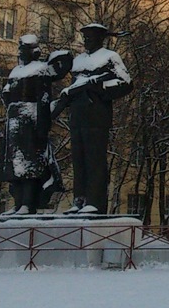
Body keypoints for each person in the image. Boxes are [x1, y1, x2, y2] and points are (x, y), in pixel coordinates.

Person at [53, 23, 131, 214]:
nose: (87, 41)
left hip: (97, 116)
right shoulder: (78, 61)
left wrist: (100, 89)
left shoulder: (110, 57)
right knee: (79, 159)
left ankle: (95, 202)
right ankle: (79, 199)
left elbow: (126, 83)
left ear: (100, 38)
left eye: (90, 38)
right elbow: (73, 87)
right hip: (77, 117)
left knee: (94, 159)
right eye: (85, 38)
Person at [1, 34, 65, 214]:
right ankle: (18, 202)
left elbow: (43, 98)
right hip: (14, 120)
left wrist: (42, 126)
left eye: (25, 49)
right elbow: (7, 93)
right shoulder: (15, 71)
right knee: (14, 165)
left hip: (31, 119)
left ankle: (28, 203)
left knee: (30, 165)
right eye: (20, 49)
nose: (21, 53)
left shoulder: (40, 70)